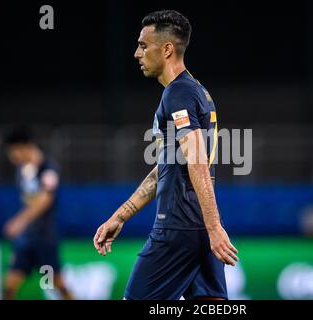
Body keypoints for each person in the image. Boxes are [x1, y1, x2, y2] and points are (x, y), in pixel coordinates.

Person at [93, 10, 238, 300]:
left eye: (143, 45)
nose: (137, 53)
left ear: (168, 49)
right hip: (198, 229)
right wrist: (121, 216)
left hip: (177, 227)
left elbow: (196, 158)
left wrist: (214, 227)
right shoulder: (197, 91)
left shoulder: (178, 93)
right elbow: (166, 168)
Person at [3, 126, 72, 300]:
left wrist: (19, 221)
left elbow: (45, 200)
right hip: (25, 240)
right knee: (9, 286)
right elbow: (27, 201)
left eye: (13, 151)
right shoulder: (22, 171)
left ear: (24, 147)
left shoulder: (48, 168)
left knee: (57, 286)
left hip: (44, 239)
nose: (12, 157)